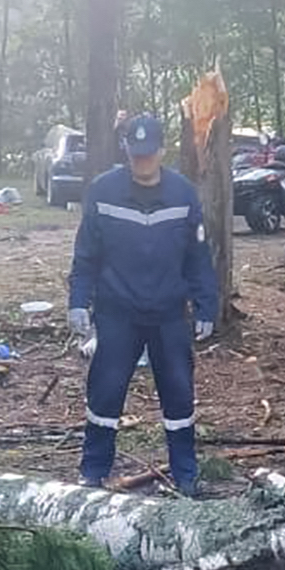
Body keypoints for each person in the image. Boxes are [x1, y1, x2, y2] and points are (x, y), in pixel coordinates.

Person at [68, 113, 218, 496]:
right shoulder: (103, 192)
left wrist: (205, 306)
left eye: (149, 155)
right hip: (118, 313)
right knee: (105, 391)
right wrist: (78, 301)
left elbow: (198, 257)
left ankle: (186, 474)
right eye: (136, 156)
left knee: (179, 394)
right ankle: (93, 470)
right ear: (126, 152)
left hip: (169, 315)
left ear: (162, 151)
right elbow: (86, 255)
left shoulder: (183, 194)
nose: (142, 163)